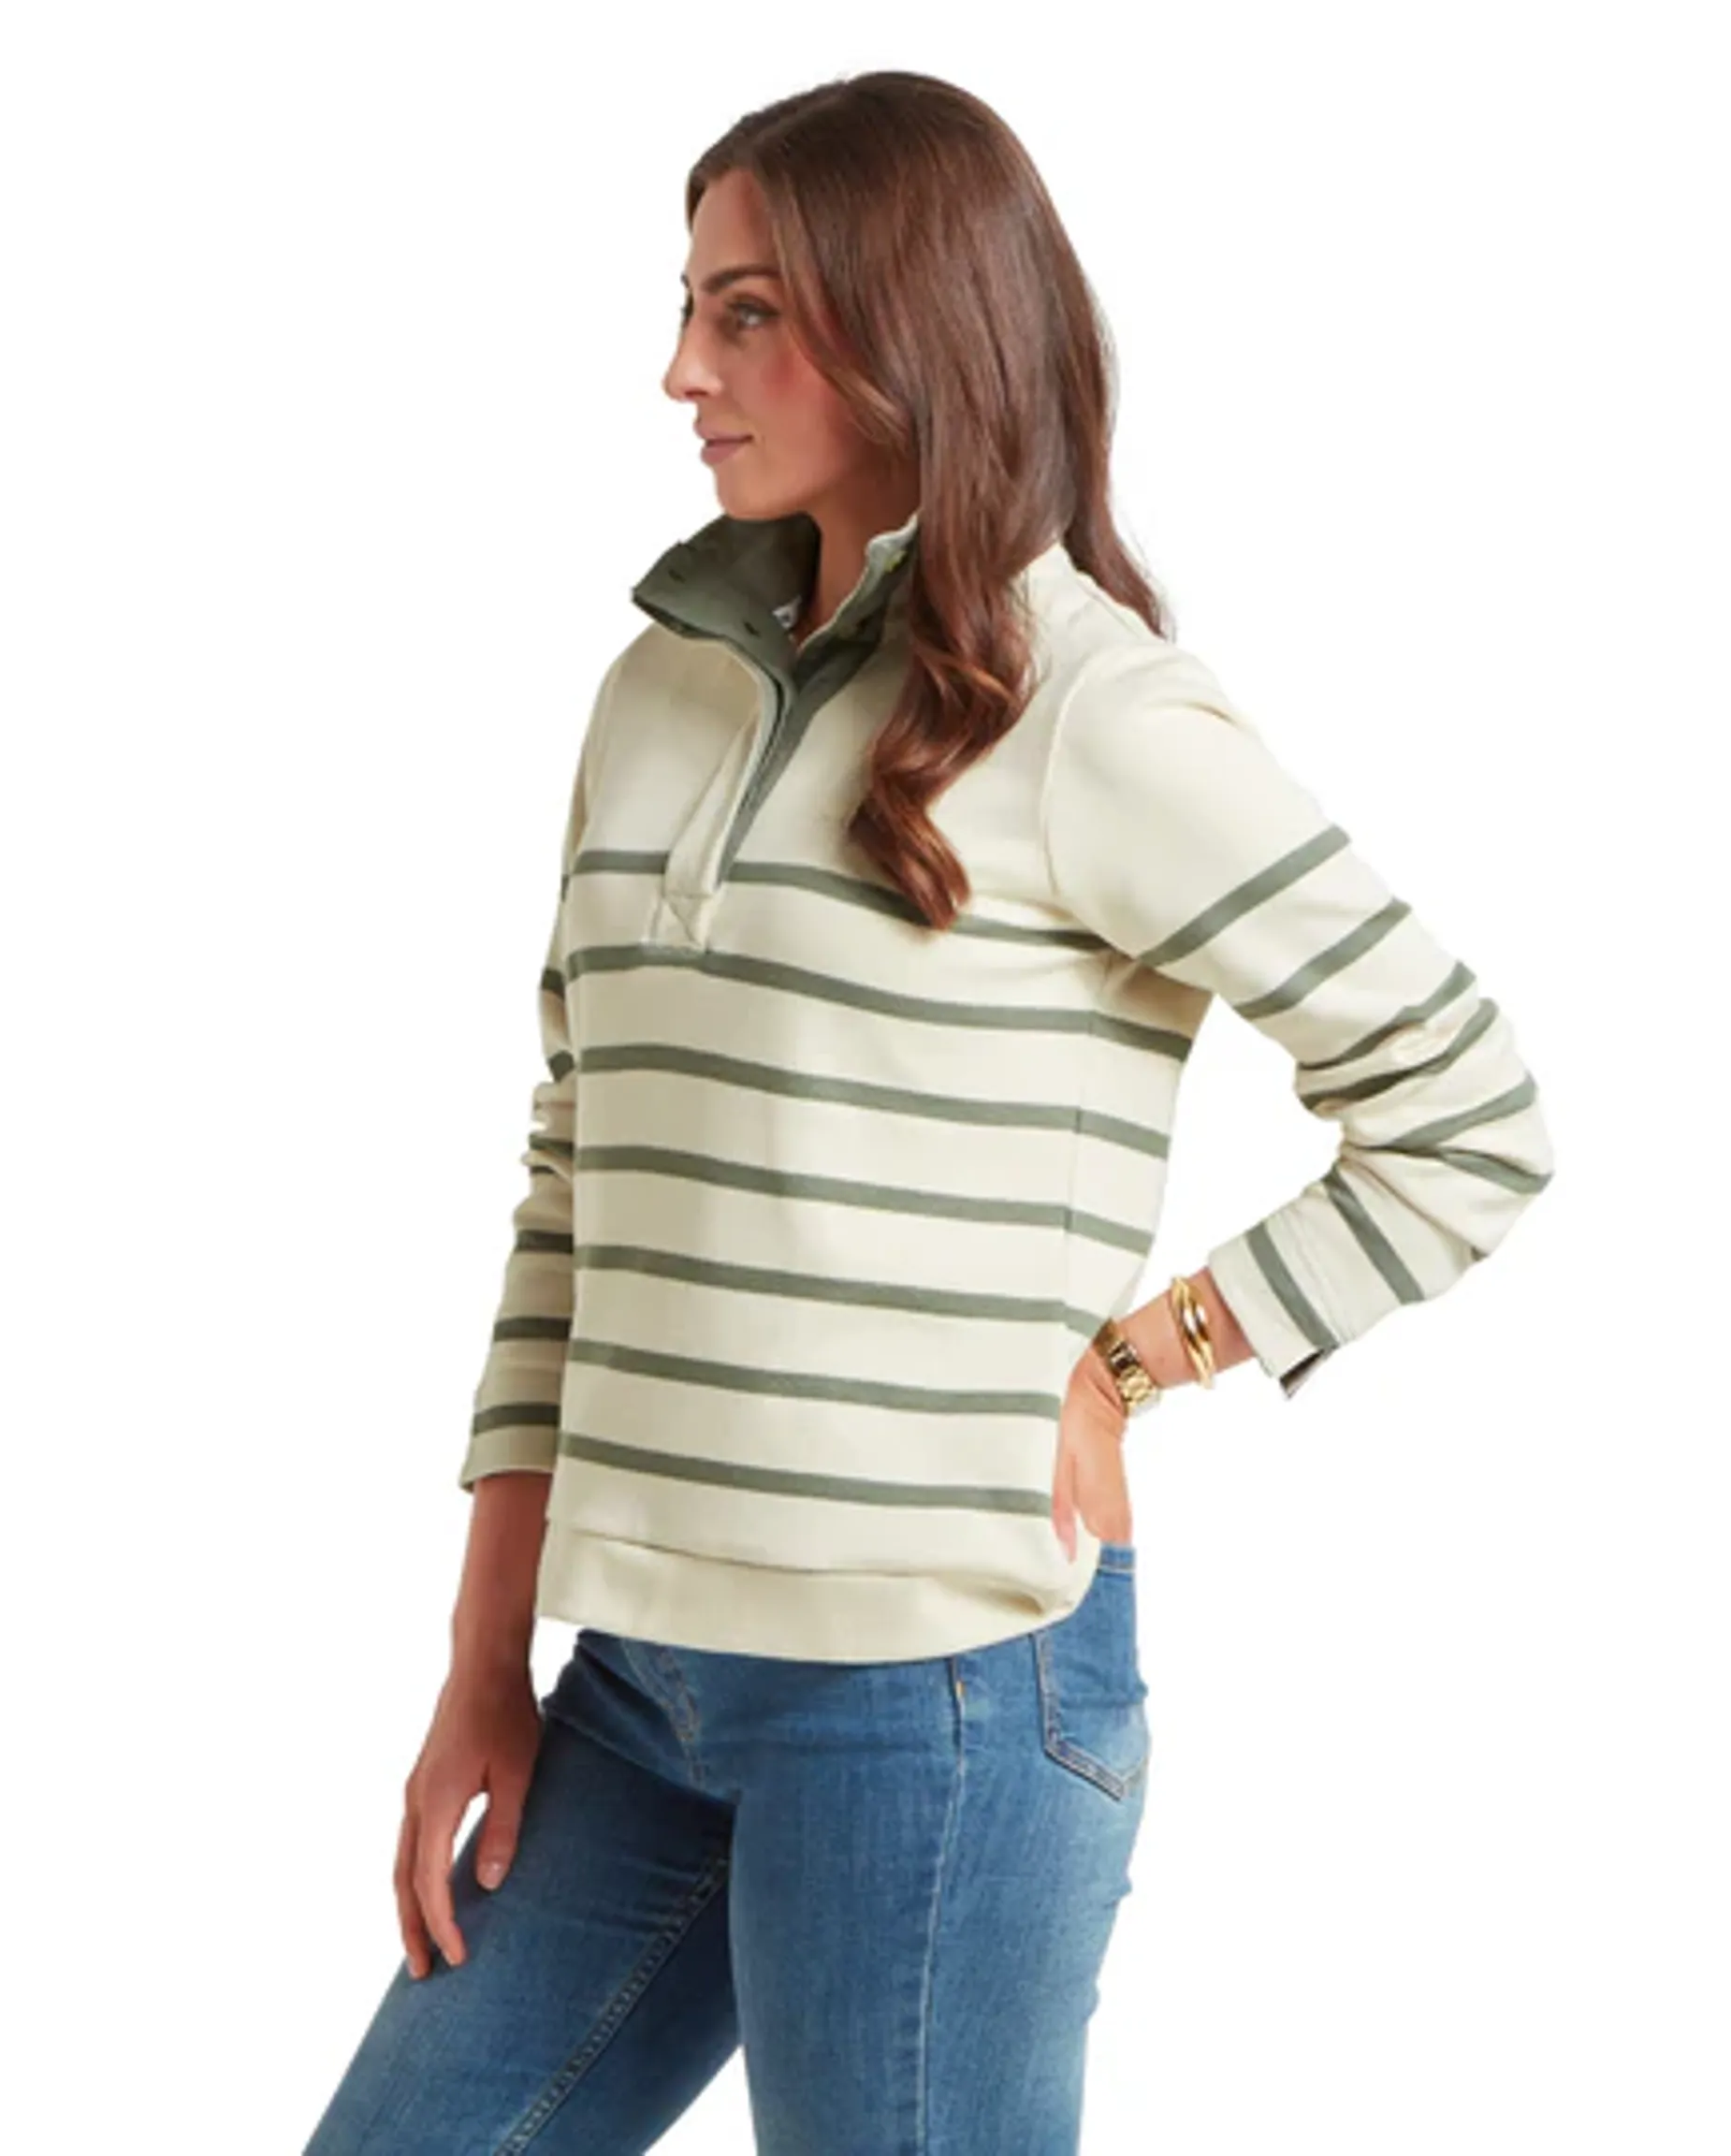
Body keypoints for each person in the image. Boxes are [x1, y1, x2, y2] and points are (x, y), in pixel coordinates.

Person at [303, 68, 1555, 2156]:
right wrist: (480, 1662)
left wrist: (1140, 1359)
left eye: (749, 315)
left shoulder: (1096, 709)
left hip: (945, 1697)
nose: (684, 371)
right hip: (642, 1679)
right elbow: (577, 1181)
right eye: (691, 308)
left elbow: (1467, 1105)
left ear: (915, 329)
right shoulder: (659, 689)